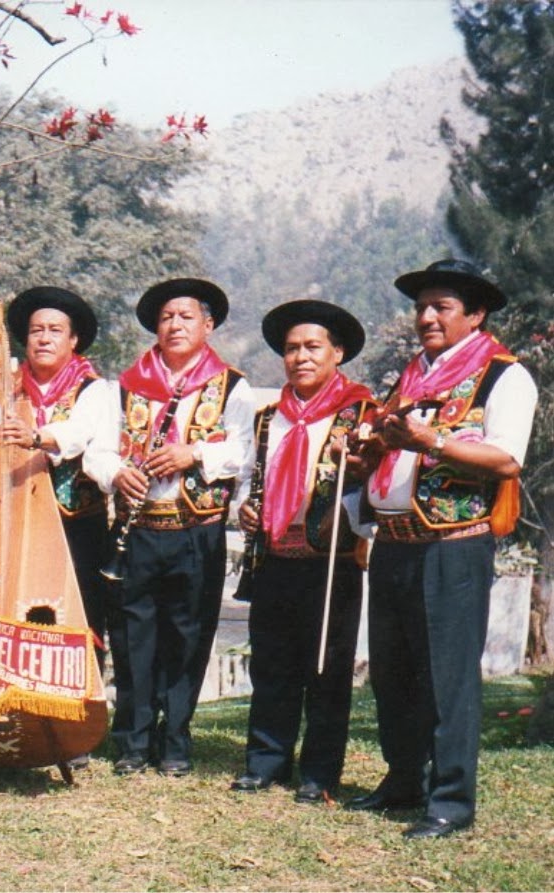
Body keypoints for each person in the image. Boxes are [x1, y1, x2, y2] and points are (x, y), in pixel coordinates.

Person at [346, 259, 534, 840]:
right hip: (397, 542)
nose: (426, 317)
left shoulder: (505, 376)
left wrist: (432, 439)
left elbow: (506, 459)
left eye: (441, 307)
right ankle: (405, 779)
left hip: (454, 546)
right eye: (422, 306)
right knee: (394, 671)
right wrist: (370, 452)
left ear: (474, 315)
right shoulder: (412, 377)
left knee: (448, 676)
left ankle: (451, 800)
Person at [85, 277, 257, 777]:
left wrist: (194, 452)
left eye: (186, 317)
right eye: (166, 318)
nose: (175, 325)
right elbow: (96, 450)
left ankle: (176, 739)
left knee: (188, 636)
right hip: (137, 531)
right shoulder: (123, 385)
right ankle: (133, 741)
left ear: (208, 325)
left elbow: (245, 453)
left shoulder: (233, 385)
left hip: (196, 530)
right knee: (133, 635)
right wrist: (116, 472)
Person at [230, 300, 375, 804]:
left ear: (337, 353)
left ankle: (319, 773)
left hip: (329, 561)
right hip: (274, 557)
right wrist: (245, 512)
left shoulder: (359, 413)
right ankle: (266, 762)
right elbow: (253, 475)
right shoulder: (271, 417)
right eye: (292, 349)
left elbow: (370, 486)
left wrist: (349, 505)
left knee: (326, 668)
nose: (301, 357)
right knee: (271, 664)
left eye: (313, 347)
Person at [0, 286, 112, 668]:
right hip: (14, 524)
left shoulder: (94, 389)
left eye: (55, 330)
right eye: (36, 330)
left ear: (73, 340)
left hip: (75, 524)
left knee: (75, 613)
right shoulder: (4, 389)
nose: (44, 338)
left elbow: (81, 433)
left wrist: (37, 437)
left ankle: (75, 708)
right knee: (15, 607)